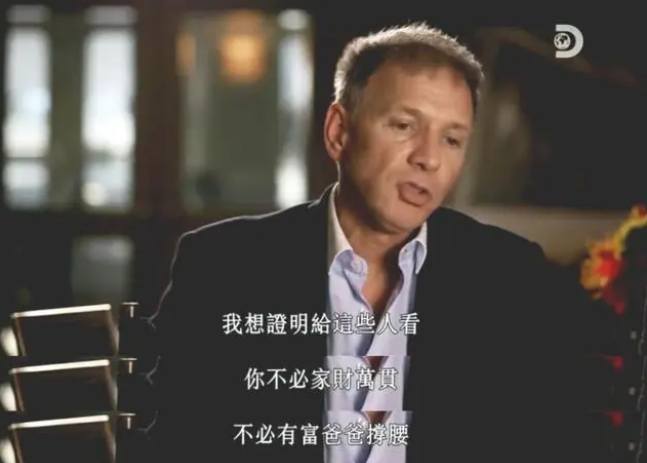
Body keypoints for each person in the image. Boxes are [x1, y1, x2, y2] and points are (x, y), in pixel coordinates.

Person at [148, 23, 581, 463]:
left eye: (452, 139)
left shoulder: (510, 275)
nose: (429, 158)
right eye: (405, 125)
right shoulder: (222, 266)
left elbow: (542, 442)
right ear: (339, 131)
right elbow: (177, 440)